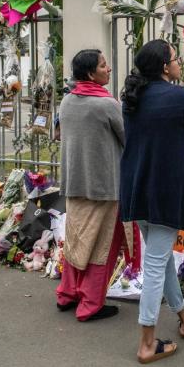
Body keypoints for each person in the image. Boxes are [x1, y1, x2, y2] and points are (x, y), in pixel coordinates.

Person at [119, 39, 184, 364]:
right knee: (155, 264)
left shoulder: (132, 97)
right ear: (165, 67)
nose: (180, 61)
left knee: (161, 259)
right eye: (175, 58)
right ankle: (147, 342)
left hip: (137, 185)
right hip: (166, 188)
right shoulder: (178, 96)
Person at [56, 49, 127, 321]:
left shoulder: (67, 102)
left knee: (76, 240)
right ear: (90, 74)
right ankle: (91, 304)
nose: (108, 69)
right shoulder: (106, 105)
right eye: (103, 65)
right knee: (102, 246)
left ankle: (67, 293)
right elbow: (127, 137)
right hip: (103, 186)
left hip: (74, 183)